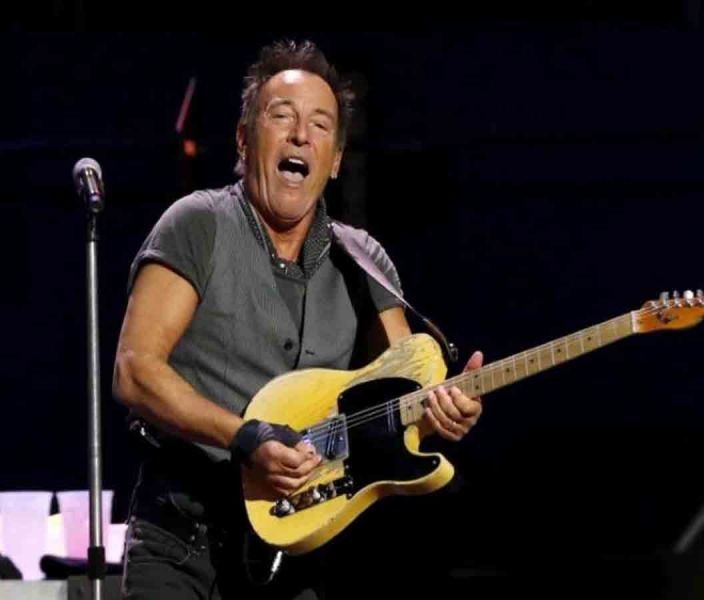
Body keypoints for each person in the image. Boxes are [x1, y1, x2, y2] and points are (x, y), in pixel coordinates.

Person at [112, 38, 484, 599]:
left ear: (334, 161)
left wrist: (438, 416)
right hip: (181, 542)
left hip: (294, 557)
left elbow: (400, 399)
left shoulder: (364, 261)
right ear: (243, 140)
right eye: (281, 116)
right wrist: (244, 437)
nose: (300, 135)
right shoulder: (196, 224)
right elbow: (135, 371)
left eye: (320, 124)